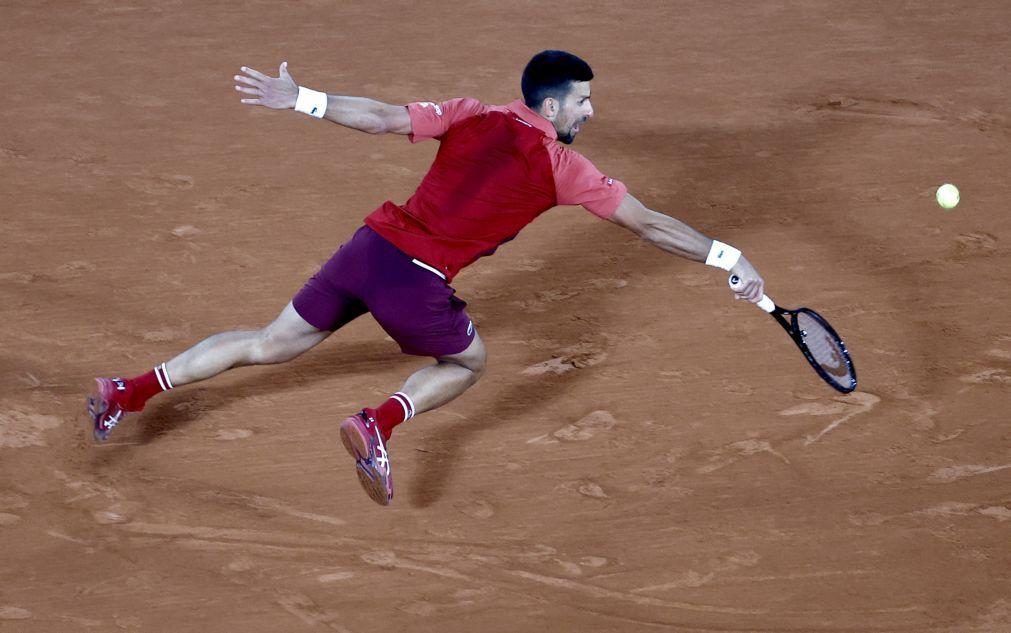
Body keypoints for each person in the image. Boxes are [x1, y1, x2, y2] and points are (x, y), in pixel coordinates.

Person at [88, 50, 765, 506]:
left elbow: (381, 116)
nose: (590, 111)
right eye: (583, 102)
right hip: (415, 279)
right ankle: (378, 420)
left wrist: (302, 99)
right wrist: (727, 258)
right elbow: (647, 224)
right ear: (553, 108)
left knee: (269, 341)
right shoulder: (565, 168)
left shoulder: (471, 111)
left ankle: (127, 390)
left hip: (368, 247)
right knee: (467, 361)